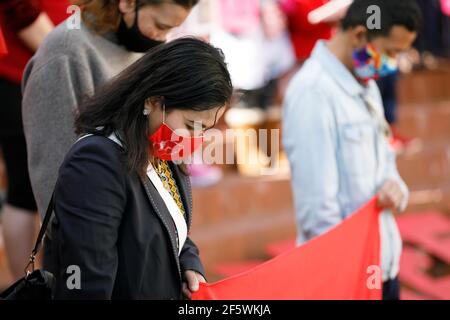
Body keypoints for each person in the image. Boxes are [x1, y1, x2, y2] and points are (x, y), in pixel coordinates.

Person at [44, 37, 233, 299]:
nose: (196, 139)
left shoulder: (162, 147)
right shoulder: (95, 162)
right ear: (152, 102)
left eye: (205, 129)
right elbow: (88, 281)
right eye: (191, 125)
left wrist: (190, 264)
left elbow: (169, 228)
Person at [283, 0, 422, 300]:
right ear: (360, 35)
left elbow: (385, 161)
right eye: (391, 52)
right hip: (348, 279)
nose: (392, 64)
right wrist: (347, 277)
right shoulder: (312, 92)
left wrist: (395, 188)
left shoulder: (365, 84)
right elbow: (318, 213)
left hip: (382, 265)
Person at [22, 0, 199, 224]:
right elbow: (55, 173)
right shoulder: (65, 53)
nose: (161, 38)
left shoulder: (140, 46)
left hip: (142, 230)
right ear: (127, 3)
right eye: (160, 25)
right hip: (96, 239)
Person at [0, 0, 68, 280]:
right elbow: (19, 8)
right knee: (24, 189)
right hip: (20, 73)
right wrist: (66, 54)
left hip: (46, 66)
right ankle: (24, 286)